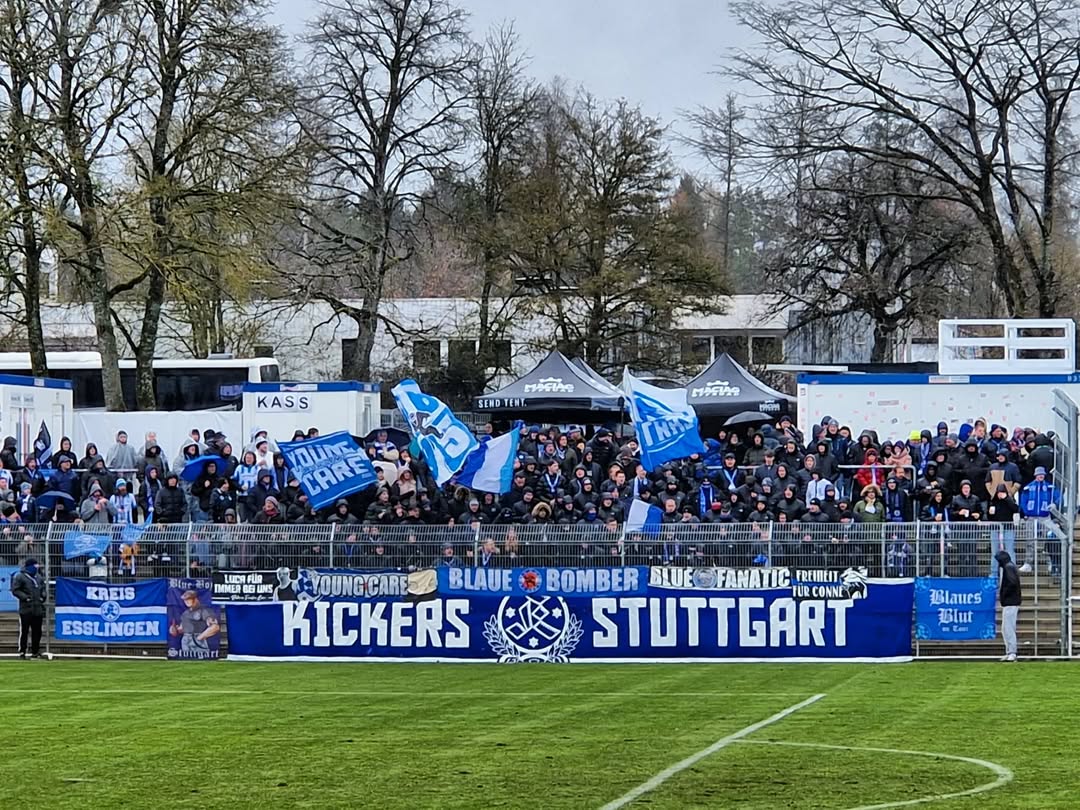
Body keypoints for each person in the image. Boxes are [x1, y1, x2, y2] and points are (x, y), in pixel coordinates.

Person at [11, 557, 46, 659]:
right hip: (26, 609)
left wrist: (43, 596)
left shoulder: (38, 577)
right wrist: (25, 598)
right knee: (24, 631)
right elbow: (15, 590)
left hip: (38, 609)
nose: (36, 567)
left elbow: (43, 589)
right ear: (30, 566)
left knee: (37, 631)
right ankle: (22, 651)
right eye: (35, 566)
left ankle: (35, 651)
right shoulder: (20, 577)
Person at [169, 590, 220, 657]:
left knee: (203, 661)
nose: (186, 601)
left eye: (189, 599)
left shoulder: (203, 610)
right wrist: (175, 629)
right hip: (185, 640)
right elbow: (182, 629)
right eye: (185, 600)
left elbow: (215, 627)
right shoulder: (185, 614)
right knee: (186, 662)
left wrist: (200, 637)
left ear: (195, 599)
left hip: (197, 640)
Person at [996, 549, 1021, 662]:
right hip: (1010, 602)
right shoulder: (1009, 566)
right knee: (1005, 628)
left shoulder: (1008, 568)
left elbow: (1012, 583)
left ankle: (1012, 652)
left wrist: (1004, 594)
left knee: (1009, 628)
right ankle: (1009, 651)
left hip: (1011, 601)